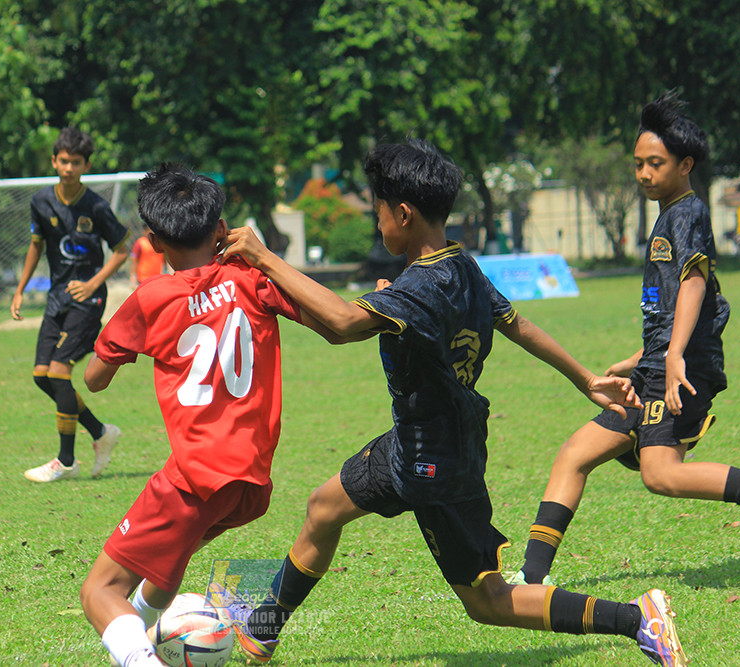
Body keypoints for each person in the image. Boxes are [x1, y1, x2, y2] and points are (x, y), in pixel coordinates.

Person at [217, 138, 687, 666]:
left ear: (403, 212)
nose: (378, 226)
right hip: (421, 442)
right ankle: (264, 628)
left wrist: (262, 257)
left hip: (432, 464)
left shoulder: (418, 286)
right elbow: (518, 324)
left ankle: (636, 618)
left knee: (488, 601)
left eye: (378, 214)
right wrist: (584, 379)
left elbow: (343, 325)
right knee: (324, 508)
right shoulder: (461, 266)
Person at [78, 164, 336, 667]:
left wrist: (129, 335)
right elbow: (329, 314)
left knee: (97, 590)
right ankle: (145, 632)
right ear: (221, 228)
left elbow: (93, 378)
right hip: (251, 483)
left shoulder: (150, 300)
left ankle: (138, 656)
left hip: (193, 478)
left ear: (152, 242)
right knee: (167, 561)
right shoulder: (253, 279)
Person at [511, 93, 739, 590]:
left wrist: (673, 356)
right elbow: (675, 303)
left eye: (655, 164)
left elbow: (696, 285)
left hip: (678, 370)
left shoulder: (687, 214)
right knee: (575, 453)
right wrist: (640, 358)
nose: (643, 173)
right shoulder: (668, 213)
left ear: (686, 165)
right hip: (654, 367)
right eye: (637, 163)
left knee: (662, 475)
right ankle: (530, 580)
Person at [10, 127, 130, 483]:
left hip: (89, 301)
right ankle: (101, 432)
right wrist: (20, 289)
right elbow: (36, 246)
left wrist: (93, 282)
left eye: (76, 162)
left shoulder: (96, 206)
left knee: (59, 372)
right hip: (57, 298)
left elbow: (122, 251)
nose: (68, 168)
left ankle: (65, 461)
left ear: (86, 165)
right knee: (41, 376)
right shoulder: (41, 201)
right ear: (54, 161)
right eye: (63, 161)